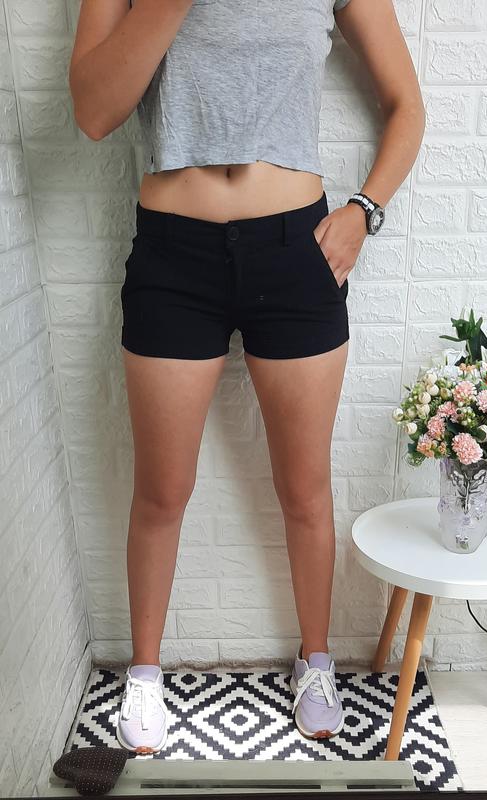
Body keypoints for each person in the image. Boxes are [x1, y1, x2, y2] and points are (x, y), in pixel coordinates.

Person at [69, 0, 425, 754]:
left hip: (297, 250)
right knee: (161, 490)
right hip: (172, 255)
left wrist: (363, 211)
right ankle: (144, 673)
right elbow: (94, 113)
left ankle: (316, 661)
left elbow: (406, 104)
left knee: (304, 487)